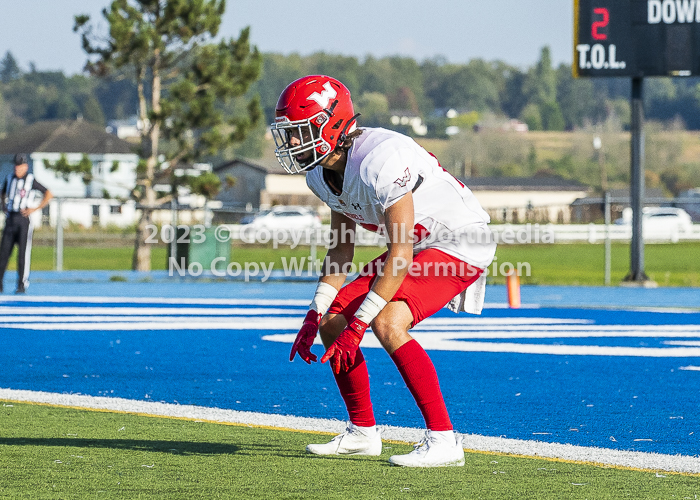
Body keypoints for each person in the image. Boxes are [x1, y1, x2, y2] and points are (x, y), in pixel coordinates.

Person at [272, 75, 496, 467]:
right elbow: (342, 248)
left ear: (330, 124)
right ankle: (362, 432)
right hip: (418, 244)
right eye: (288, 133)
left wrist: (361, 325)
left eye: (300, 131)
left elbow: (400, 252)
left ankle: (444, 440)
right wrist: (313, 313)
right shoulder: (320, 174)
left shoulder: (379, 158)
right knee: (332, 322)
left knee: (388, 321)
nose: (292, 143)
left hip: (458, 240)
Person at [0, 153, 53, 293]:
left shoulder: (30, 180)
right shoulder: (9, 178)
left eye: (20, 165)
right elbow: (3, 193)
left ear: (25, 166)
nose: (17, 168)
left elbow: (48, 193)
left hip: (23, 220)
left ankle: (21, 284)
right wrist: (3, 206)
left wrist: (35, 208)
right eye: (16, 165)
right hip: (10, 218)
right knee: (3, 253)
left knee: (23, 254)